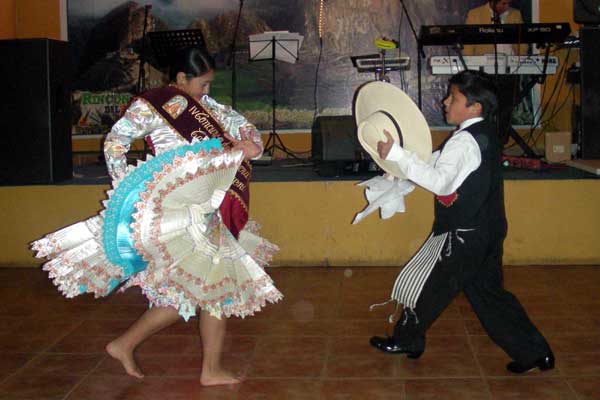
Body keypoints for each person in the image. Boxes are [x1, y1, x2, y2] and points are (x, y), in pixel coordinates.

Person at [32, 47, 282, 386]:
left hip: (209, 207)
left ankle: (131, 345)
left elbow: (245, 127)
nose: (206, 92)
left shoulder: (208, 107)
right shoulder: (151, 105)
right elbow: (115, 143)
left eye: (209, 85)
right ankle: (202, 367)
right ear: (181, 79)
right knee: (211, 284)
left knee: (200, 288)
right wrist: (129, 189)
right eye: (203, 84)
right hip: (180, 211)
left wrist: (251, 144)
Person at [369, 70, 554, 374]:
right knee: (490, 296)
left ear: (475, 106)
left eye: (453, 98)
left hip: (464, 235)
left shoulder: (465, 141)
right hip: (487, 230)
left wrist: (399, 155)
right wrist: (399, 164)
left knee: (426, 285)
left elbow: (442, 183)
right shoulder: (481, 134)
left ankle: (407, 339)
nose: (445, 102)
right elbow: (435, 162)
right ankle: (535, 353)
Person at [463, 0, 527, 146]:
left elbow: (523, 43)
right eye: (503, 3)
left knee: (506, 108)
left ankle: (500, 145)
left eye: (509, 3)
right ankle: (485, 145)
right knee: (487, 109)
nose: (507, 7)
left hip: (509, 71)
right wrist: (470, 69)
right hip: (484, 72)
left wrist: (520, 60)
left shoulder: (515, 15)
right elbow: (468, 46)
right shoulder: (475, 14)